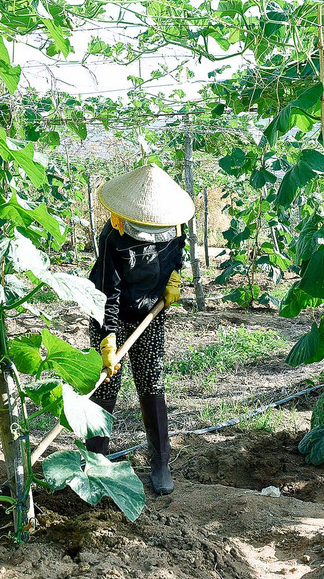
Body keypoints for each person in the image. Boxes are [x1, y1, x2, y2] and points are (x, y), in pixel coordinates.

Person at [86, 163, 194, 495]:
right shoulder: (114, 236)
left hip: (150, 312)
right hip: (110, 314)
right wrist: (107, 338)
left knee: (152, 382)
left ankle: (160, 462)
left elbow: (178, 253)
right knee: (105, 387)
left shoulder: (173, 228)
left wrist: (174, 276)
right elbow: (108, 291)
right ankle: (95, 463)